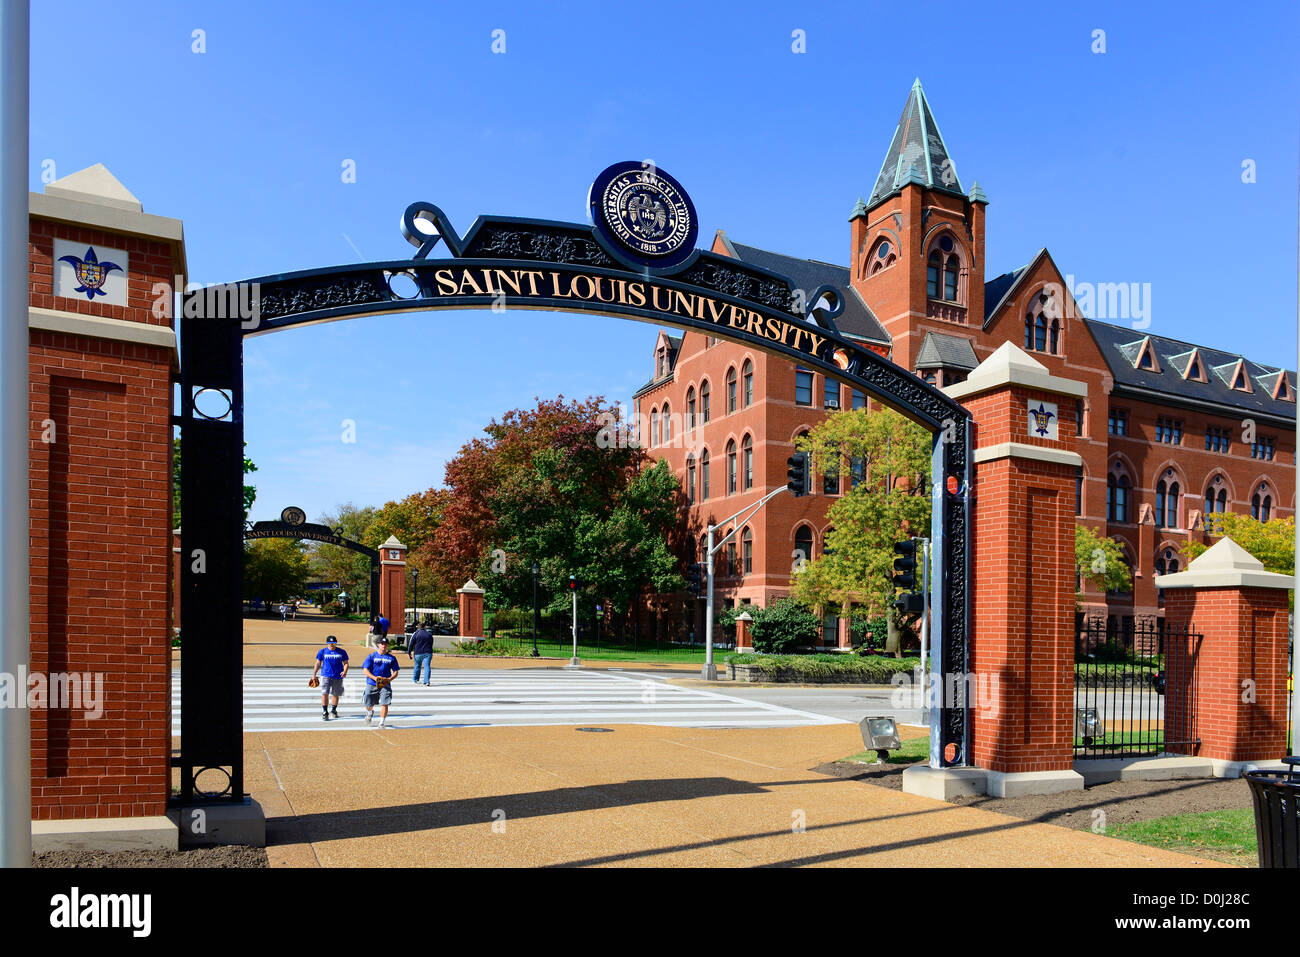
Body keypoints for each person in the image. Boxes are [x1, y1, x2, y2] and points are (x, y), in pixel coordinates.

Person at [361, 636, 400, 728]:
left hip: (385, 684)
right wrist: (375, 678)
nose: (384, 645)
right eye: (382, 644)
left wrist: (389, 679)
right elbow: (365, 670)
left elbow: (396, 671)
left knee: (385, 703)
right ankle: (369, 712)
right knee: (368, 702)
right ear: (378, 645)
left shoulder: (392, 658)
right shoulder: (371, 656)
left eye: (386, 644)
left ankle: (381, 723)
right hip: (372, 683)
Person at [311, 634, 349, 721]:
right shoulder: (322, 651)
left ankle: (333, 710)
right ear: (327, 643)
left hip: (338, 676)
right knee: (325, 693)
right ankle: (325, 712)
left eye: (334, 643)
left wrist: (345, 671)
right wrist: (314, 674)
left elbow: (346, 663)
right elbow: (318, 663)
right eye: (330, 643)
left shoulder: (342, 651)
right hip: (326, 675)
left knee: (336, 694)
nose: (332, 645)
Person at [407, 620, 433, 686]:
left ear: (418, 627)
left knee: (417, 666)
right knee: (427, 666)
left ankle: (415, 679)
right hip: (427, 653)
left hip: (418, 653)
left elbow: (411, 643)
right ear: (425, 627)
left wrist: (409, 652)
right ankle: (426, 681)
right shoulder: (429, 634)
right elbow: (431, 643)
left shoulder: (416, 634)